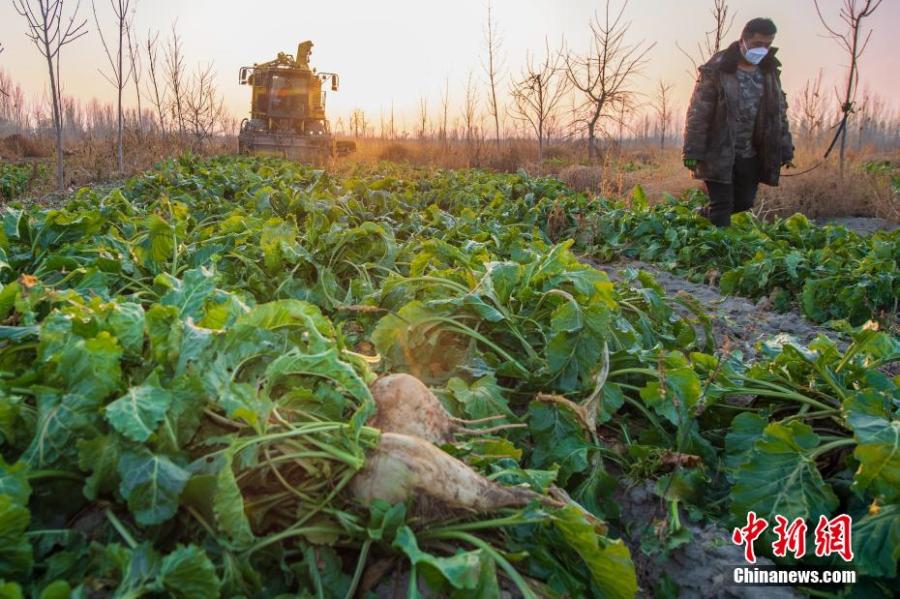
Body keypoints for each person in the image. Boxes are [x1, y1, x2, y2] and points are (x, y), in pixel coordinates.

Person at [682, 18, 794, 227]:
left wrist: (785, 149)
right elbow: (698, 112)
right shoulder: (717, 69)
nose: (763, 50)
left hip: (750, 153)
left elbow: (778, 114)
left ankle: (704, 215)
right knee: (722, 205)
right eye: (758, 44)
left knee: (744, 202)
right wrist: (692, 152)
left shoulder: (769, 71)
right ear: (743, 40)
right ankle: (718, 242)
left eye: (767, 45)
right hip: (718, 150)